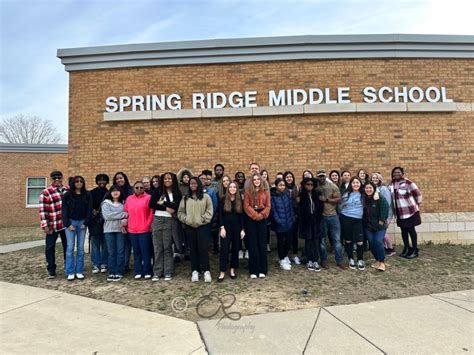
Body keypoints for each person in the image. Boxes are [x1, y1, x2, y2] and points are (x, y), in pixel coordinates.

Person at [178, 177, 213, 283]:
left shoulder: (206, 197)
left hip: (203, 226)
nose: (193, 185)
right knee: (193, 249)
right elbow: (180, 212)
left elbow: (210, 210)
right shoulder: (185, 198)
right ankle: (195, 271)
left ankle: (206, 270)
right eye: (191, 183)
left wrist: (203, 219)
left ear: (198, 184)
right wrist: (186, 219)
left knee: (203, 249)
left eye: (195, 183)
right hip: (190, 227)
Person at [149, 172, 181, 281]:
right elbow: (152, 204)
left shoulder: (176, 193)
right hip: (157, 220)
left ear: (173, 180)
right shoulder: (158, 191)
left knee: (167, 247)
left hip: (169, 221)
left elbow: (176, 206)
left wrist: (163, 203)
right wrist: (166, 208)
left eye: (170, 179)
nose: (167, 180)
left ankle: (168, 271)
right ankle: (157, 271)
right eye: (165, 179)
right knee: (157, 247)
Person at [62, 176, 93, 280]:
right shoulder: (67, 195)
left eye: (81, 181)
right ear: (73, 183)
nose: (79, 183)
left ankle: (79, 271)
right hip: (71, 222)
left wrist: (86, 222)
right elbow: (64, 211)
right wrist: (67, 224)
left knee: (80, 248)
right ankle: (70, 271)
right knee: (70, 247)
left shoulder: (87, 195)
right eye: (77, 181)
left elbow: (89, 210)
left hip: (82, 223)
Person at [39, 170, 68, 279]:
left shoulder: (68, 190)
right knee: (50, 248)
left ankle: (67, 266)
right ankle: (51, 269)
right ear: (51, 179)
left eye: (59, 177)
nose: (57, 180)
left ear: (62, 178)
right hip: (52, 226)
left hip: (66, 225)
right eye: (54, 178)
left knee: (67, 247)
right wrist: (45, 226)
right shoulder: (46, 192)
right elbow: (43, 210)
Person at [388, 167, 422, 258]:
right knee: (403, 231)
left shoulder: (408, 183)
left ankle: (415, 249)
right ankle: (406, 247)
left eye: (398, 172)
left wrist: (416, 206)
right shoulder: (391, 184)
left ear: (402, 173)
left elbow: (418, 195)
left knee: (411, 230)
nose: (396, 174)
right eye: (394, 173)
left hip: (410, 212)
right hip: (399, 213)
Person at [316, 169, 346, 270]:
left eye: (323, 176)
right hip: (322, 217)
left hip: (333, 216)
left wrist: (327, 199)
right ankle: (323, 260)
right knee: (322, 240)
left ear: (325, 176)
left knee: (337, 240)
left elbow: (338, 199)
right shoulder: (316, 187)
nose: (321, 178)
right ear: (317, 177)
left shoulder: (332, 186)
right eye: (319, 176)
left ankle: (339, 260)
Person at [123, 181, 153, 280]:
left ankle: (147, 270)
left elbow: (151, 213)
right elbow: (125, 212)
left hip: (144, 230)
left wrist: (148, 225)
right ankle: (138, 271)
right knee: (136, 252)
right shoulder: (129, 199)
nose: (139, 189)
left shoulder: (148, 198)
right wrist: (124, 224)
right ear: (133, 188)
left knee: (145, 251)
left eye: (141, 187)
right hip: (132, 230)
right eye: (137, 187)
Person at [244, 173, 271, 279]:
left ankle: (262, 269)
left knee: (262, 243)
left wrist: (262, 215)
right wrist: (255, 215)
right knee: (252, 244)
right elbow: (246, 206)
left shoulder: (266, 191)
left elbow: (268, 206)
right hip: (251, 218)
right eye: (254, 179)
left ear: (261, 180)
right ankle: (253, 270)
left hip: (262, 218)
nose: (256, 181)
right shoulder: (247, 191)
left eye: (258, 179)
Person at [218, 181, 245, 282]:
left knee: (235, 249)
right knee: (224, 250)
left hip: (237, 228)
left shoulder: (240, 200)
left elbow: (242, 216)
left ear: (237, 189)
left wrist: (242, 229)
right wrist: (222, 227)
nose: (232, 188)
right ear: (228, 188)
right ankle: (222, 271)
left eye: (234, 187)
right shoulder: (223, 199)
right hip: (226, 228)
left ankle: (232, 269)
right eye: (231, 187)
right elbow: (220, 214)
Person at [101, 185, 128, 281]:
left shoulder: (124, 203)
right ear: (110, 192)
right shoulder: (106, 203)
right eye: (113, 191)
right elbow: (107, 216)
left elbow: (128, 215)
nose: (115, 192)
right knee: (111, 252)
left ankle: (119, 271)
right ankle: (112, 272)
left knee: (120, 252)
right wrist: (123, 214)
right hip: (109, 230)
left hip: (121, 230)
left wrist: (122, 216)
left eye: (117, 191)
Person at [270, 178, 296, 271]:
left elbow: (291, 208)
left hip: (289, 222)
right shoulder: (272, 196)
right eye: (280, 185)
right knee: (281, 242)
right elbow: (273, 211)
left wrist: (293, 218)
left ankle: (285, 256)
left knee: (289, 241)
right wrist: (278, 221)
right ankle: (282, 259)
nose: (282, 187)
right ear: (276, 186)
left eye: (283, 185)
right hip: (279, 224)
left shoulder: (286, 195)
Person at [363, 182, 389, 271]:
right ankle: (377, 260)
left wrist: (382, 220)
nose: (368, 190)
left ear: (374, 189)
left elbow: (385, 207)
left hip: (379, 225)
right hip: (368, 226)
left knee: (378, 241)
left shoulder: (379, 197)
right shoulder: (364, 198)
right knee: (371, 242)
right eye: (366, 188)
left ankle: (382, 262)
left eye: (370, 188)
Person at [299, 177, 324, 272]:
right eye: (307, 184)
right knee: (308, 242)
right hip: (306, 222)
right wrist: (307, 217)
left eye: (311, 184)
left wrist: (316, 217)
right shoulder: (301, 195)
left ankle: (315, 260)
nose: (310, 186)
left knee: (316, 242)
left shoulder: (317, 194)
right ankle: (309, 260)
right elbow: (300, 209)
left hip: (316, 221)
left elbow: (320, 207)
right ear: (304, 185)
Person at [340, 177, 365, 271]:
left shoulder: (363, 194)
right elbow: (340, 205)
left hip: (358, 219)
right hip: (346, 218)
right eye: (353, 183)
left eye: (357, 182)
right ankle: (351, 259)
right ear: (351, 184)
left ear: (360, 184)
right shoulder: (345, 194)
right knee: (348, 240)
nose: (355, 184)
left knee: (360, 241)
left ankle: (360, 259)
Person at [113, 171, 133, 272]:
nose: (119, 180)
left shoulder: (131, 190)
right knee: (120, 245)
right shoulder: (113, 191)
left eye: (121, 178)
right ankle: (119, 264)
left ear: (125, 178)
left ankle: (125, 264)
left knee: (127, 244)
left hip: (130, 220)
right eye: (117, 179)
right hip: (117, 221)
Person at [89, 173, 109, 274]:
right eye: (100, 180)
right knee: (95, 244)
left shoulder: (109, 193)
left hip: (106, 221)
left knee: (105, 243)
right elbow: (88, 206)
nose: (102, 182)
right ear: (97, 181)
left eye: (104, 180)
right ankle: (96, 264)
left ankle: (104, 263)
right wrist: (93, 210)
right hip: (95, 221)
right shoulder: (91, 193)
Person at [371, 172, 395, 256]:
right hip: (377, 214)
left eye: (376, 177)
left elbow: (387, 203)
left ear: (380, 179)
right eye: (373, 177)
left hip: (386, 214)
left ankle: (391, 248)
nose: (374, 179)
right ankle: (385, 247)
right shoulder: (374, 188)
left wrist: (383, 216)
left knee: (383, 233)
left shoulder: (383, 188)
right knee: (381, 232)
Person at [283, 171, 300, 264]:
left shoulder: (297, 188)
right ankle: (285, 255)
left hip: (295, 215)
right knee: (287, 237)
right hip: (285, 215)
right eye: (287, 177)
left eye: (291, 177)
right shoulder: (282, 188)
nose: (289, 178)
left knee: (294, 236)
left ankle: (295, 254)